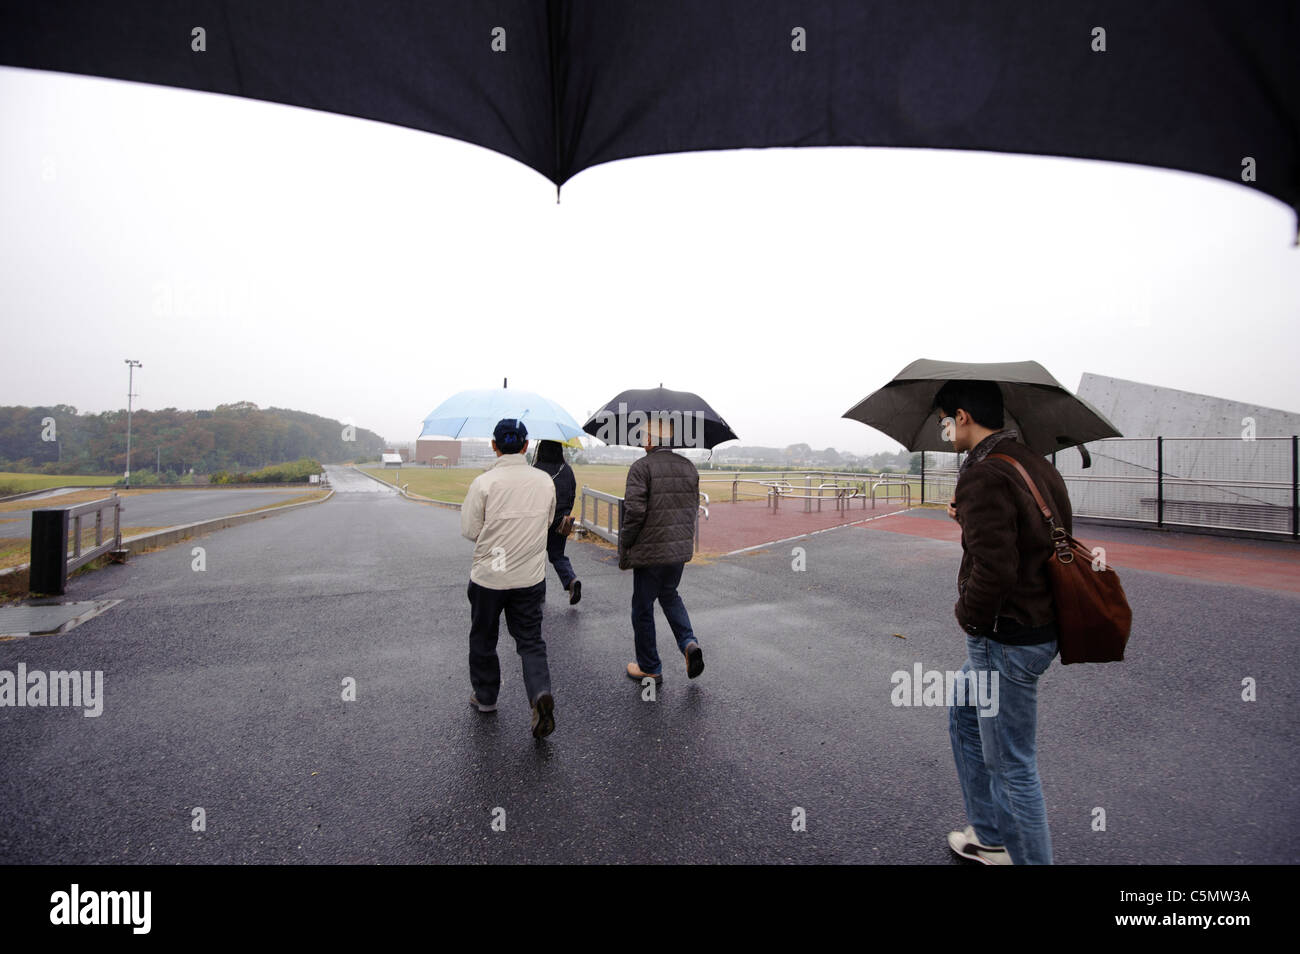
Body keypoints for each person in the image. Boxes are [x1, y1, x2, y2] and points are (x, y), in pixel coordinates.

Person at [935, 380, 1072, 865]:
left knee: (1012, 766)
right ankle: (991, 837)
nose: (943, 430)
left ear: (964, 416)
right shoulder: (1032, 463)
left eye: (944, 420)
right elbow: (1029, 540)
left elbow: (996, 569)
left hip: (1004, 638)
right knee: (964, 717)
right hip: (1039, 627)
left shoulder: (983, 476)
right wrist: (968, 521)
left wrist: (968, 618)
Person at [460, 419, 557, 739]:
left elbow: (470, 531)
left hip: (489, 577)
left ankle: (486, 697)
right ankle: (539, 692)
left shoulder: (484, 482)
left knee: (483, 638)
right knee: (530, 641)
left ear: (494, 445)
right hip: (529, 576)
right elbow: (550, 520)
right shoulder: (544, 481)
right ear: (527, 446)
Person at [618, 413, 704, 685]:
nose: (642, 439)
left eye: (645, 434)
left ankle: (650, 667)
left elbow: (634, 512)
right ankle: (688, 643)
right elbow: (691, 510)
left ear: (655, 438)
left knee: (642, 607)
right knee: (669, 595)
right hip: (677, 551)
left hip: (649, 552)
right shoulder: (689, 467)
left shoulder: (641, 468)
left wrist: (626, 544)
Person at [532, 439, 581, 604]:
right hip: (561, 521)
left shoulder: (536, 471)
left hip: (539, 521)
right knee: (558, 555)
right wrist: (566, 512)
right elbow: (572, 495)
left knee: (537, 556)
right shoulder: (567, 470)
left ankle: (539, 593)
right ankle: (571, 580)